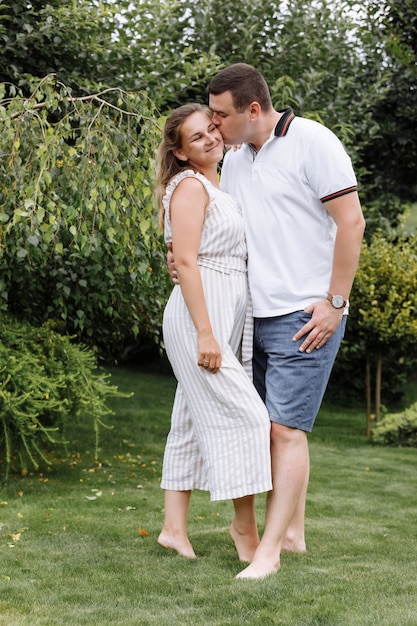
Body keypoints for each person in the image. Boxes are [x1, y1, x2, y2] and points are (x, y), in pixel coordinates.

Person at [169, 64, 366, 579]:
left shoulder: (313, 142)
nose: (214, 125)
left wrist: (335, 303)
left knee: (284, 430)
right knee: (274, 431)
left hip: (307, 313)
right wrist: (183, 258)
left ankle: (270, 550)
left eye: (220, 115)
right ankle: (292, 533)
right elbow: (224, 230)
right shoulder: (234, 161)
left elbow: (352, 222)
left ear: (252, 110)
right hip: (251, 315)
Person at [155, 103, 272, 564]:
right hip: (197, 320)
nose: (209, 139)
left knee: (187, 421)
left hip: (222, 315)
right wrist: (206, 334)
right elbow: (185, 261)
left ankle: (172, 529)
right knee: (248, 418)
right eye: (196, 137)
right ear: (181, 152)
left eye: (211, 129)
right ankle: (244, 529)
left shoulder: (219, 182)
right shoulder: (189, 186)